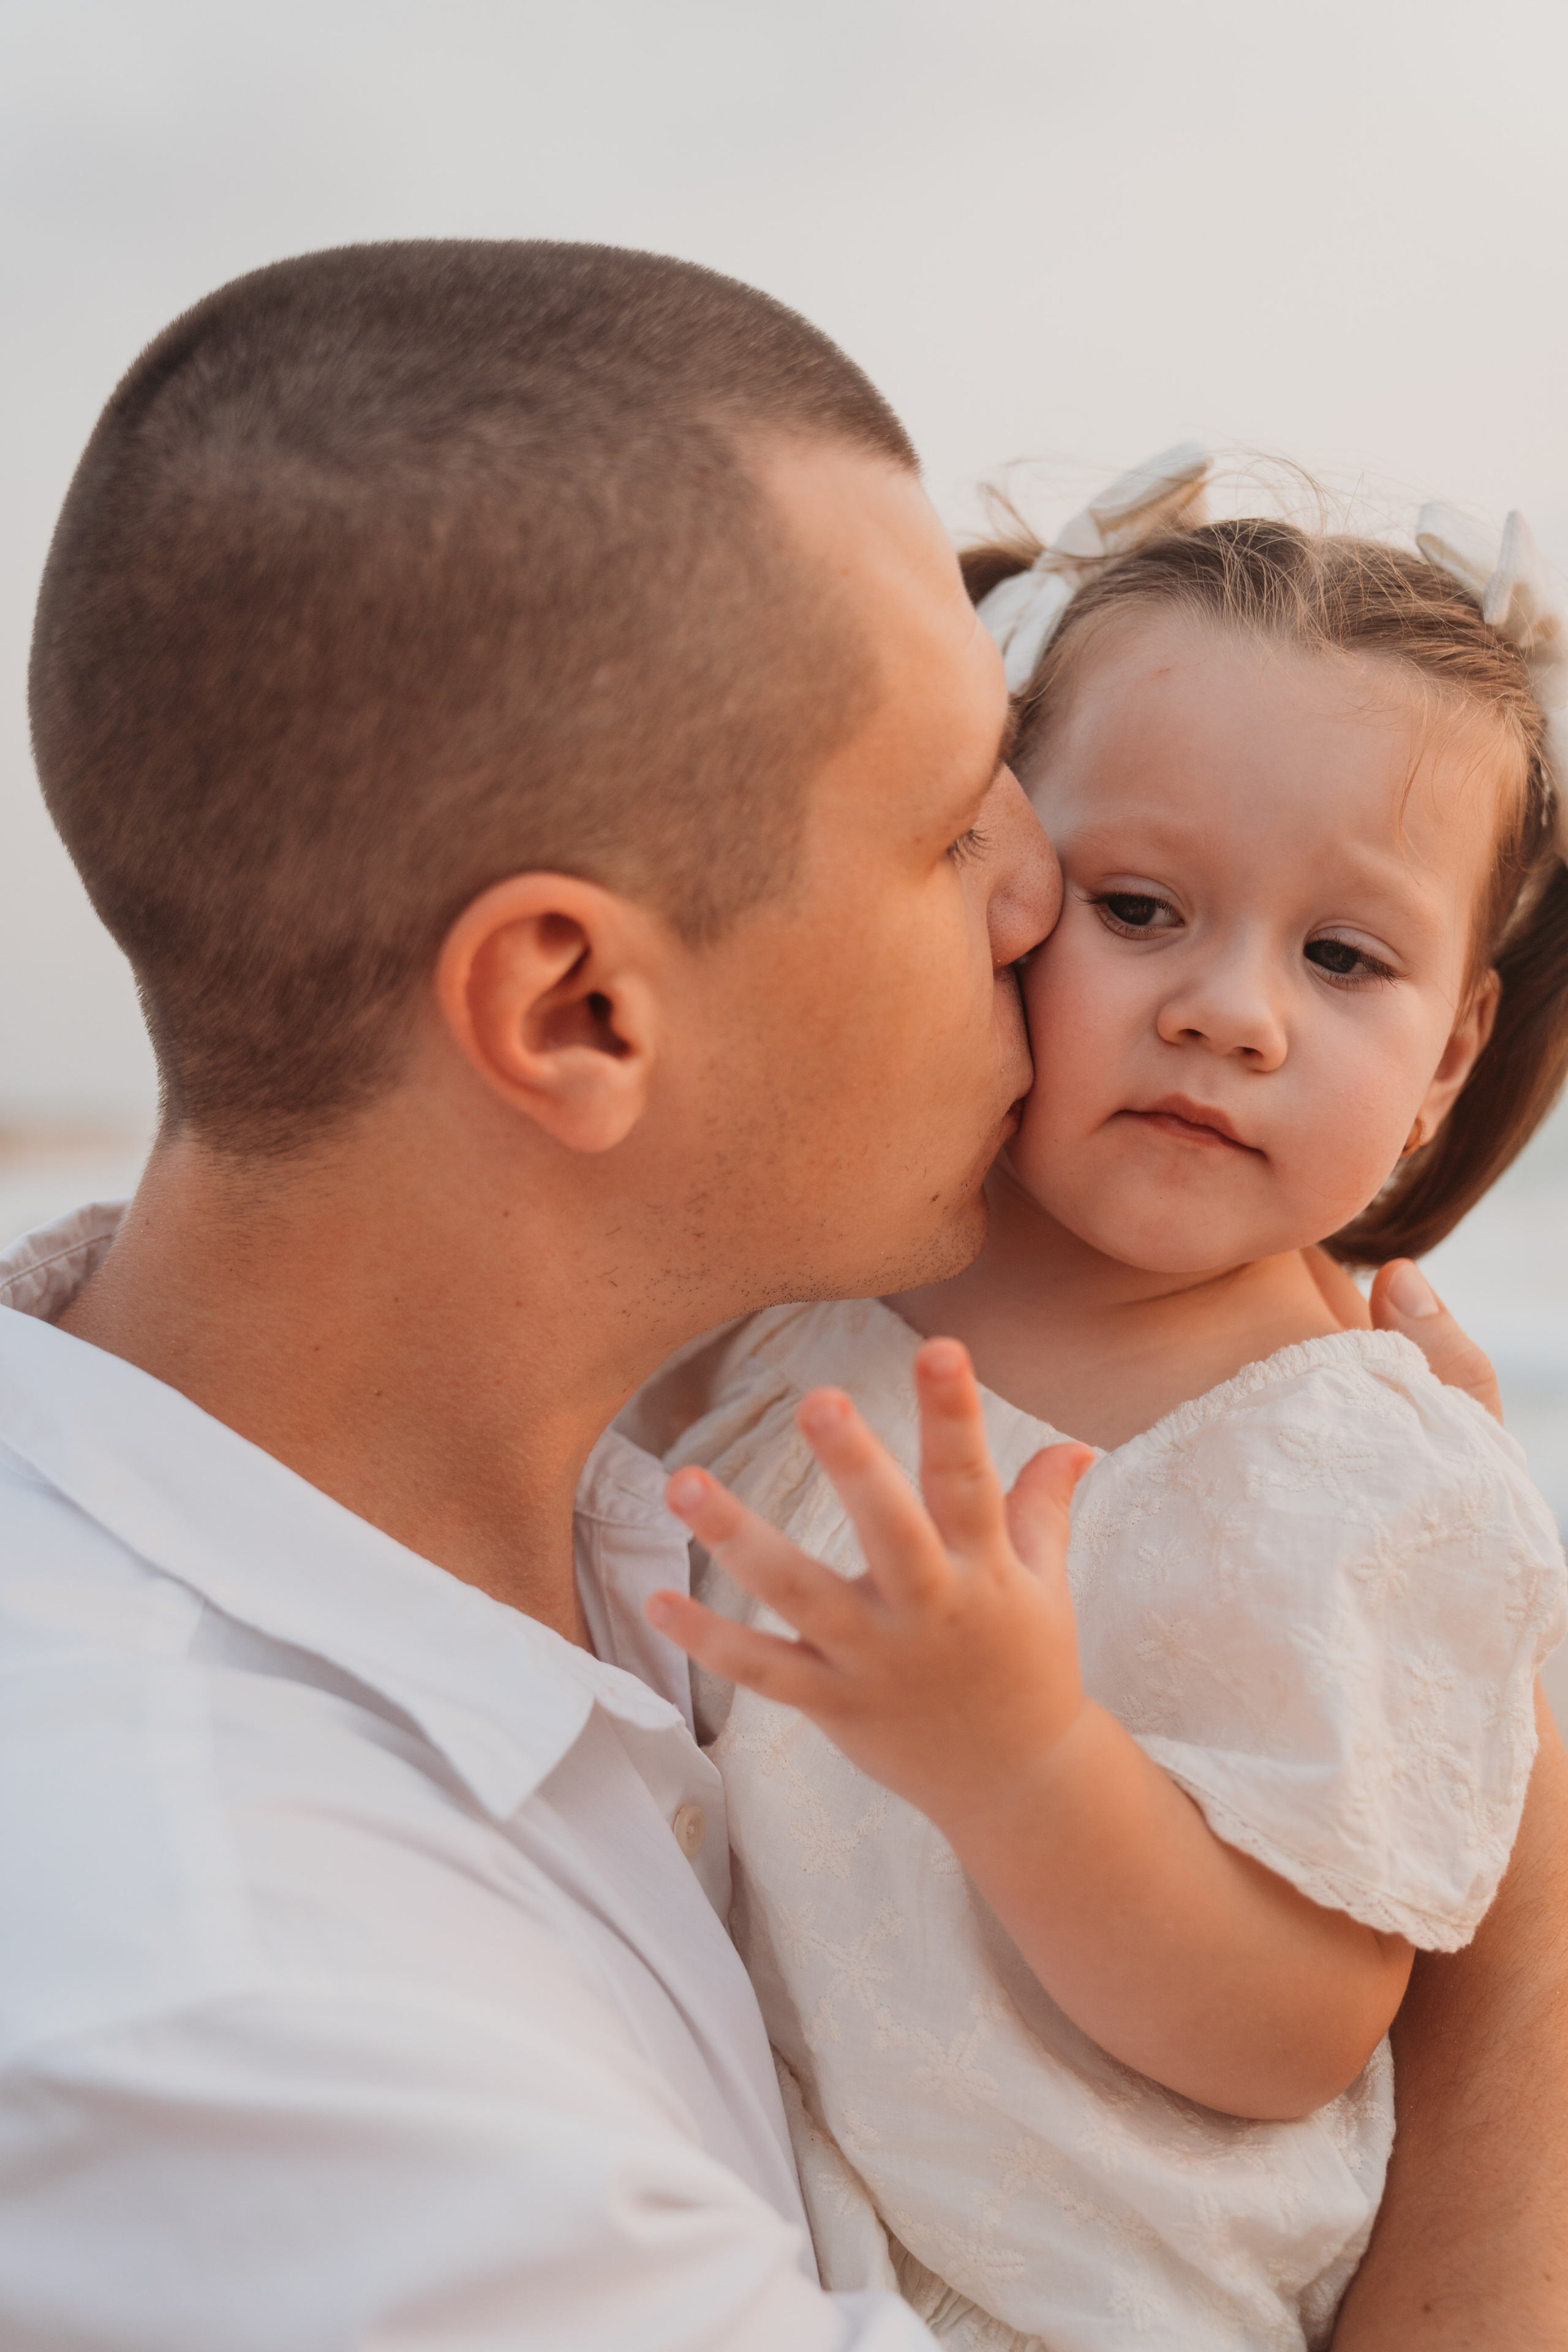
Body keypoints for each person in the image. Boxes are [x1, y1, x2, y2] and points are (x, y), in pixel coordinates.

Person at [0, 245, 1561, 2350]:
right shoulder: (250, 2028)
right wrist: (1533, 1926)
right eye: (951, 830)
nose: (1035, 906)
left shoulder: (534, 1448)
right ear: (576, 1009)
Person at [632, 460, 1568, 2346]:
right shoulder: (796, 1294)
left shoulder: (1363, 1471)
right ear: (994, 884)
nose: (1233, 1010)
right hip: (714, 2200)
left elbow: (1296, 2028)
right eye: (1140, 906)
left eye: (1342, 956)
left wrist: (1024, 1761)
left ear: (1450, 1051)